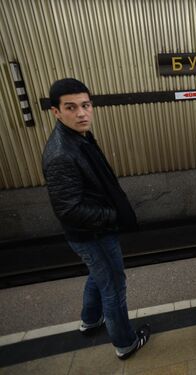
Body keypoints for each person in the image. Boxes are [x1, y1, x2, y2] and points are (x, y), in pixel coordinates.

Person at [42, 78, 150, 360]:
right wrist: (113, 217)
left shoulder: (77, 137)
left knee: (98, 275)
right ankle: (125, 343)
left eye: (85, 105)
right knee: (114, 287)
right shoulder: (61, 154)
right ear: (56, 112)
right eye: (71, 107)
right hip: (94, 234)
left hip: (92, 232)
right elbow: (69, 210)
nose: (81, 113)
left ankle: (90, 320)